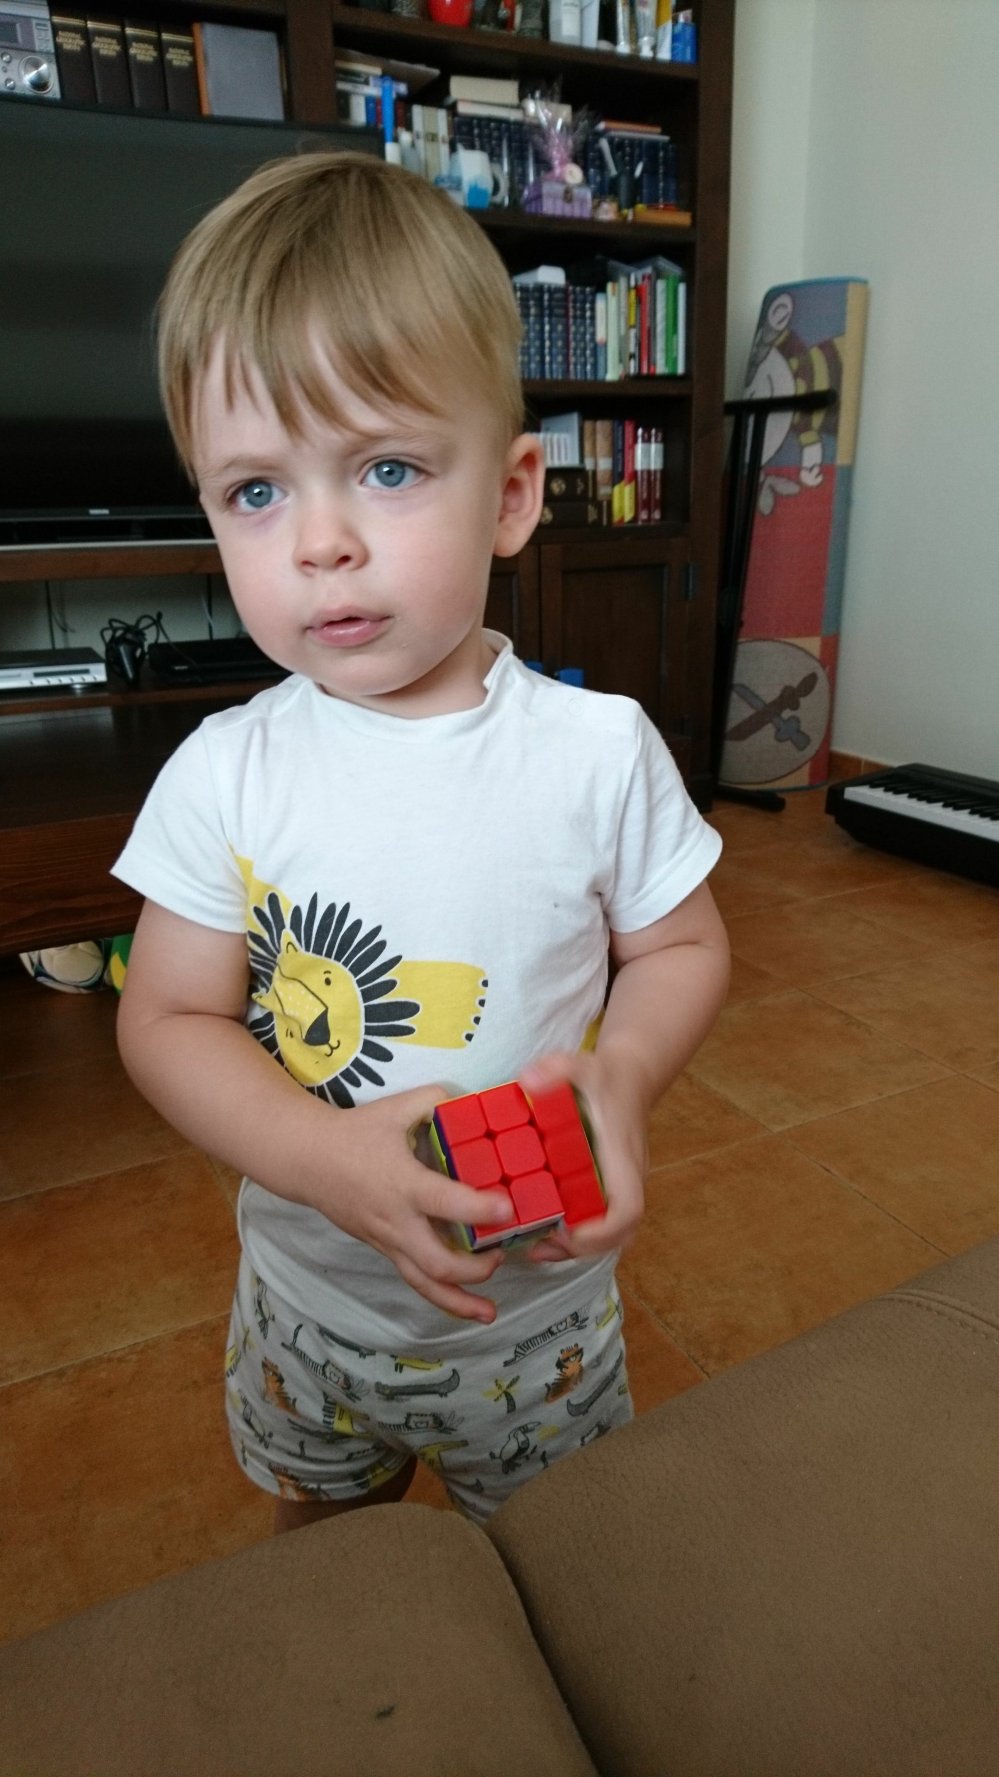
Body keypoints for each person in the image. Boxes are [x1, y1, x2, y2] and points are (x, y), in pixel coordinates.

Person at [113, 151, 730, 1531]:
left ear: (510, 495)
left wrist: (626, 1075)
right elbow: (164, 1017)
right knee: (329, 1570)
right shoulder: (224, 774)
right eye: (256, 492)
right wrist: (320, 1159)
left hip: (540, 1318)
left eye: (385, 469)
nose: (319, 542)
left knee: (563, 1563)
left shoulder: (597, 750)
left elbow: (681, 945)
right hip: (313, 1305)